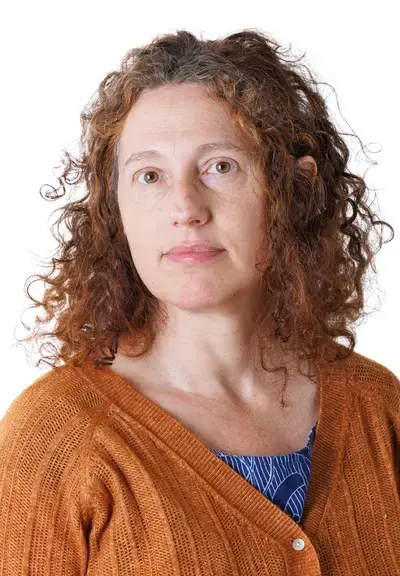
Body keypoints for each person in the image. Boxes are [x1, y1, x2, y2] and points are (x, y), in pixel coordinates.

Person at [0, 28, 398, 575]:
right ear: (116, 209)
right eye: (150, 176)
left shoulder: (379, 405)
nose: (185, 208)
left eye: (220, 166)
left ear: (295, 192)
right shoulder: (55, 435)